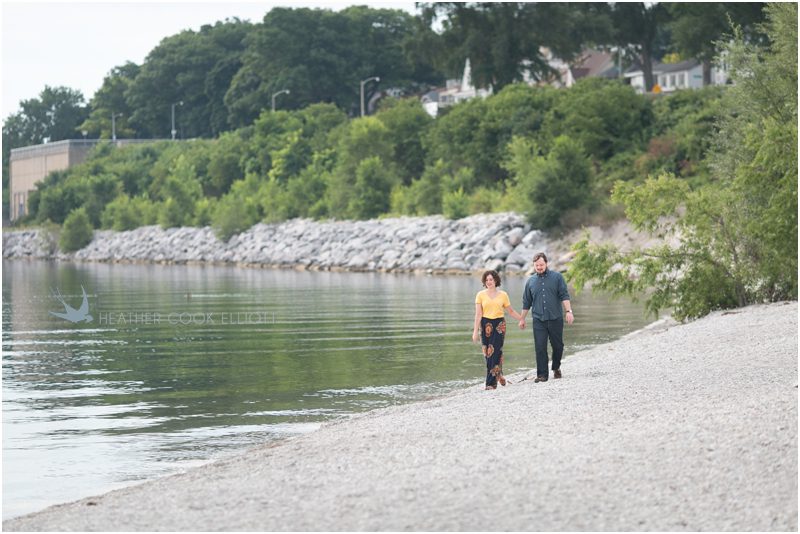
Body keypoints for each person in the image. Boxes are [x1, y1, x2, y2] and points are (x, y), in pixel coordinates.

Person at [518, 252, 574, 383]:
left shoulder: (557, 277)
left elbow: (564, 295)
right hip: (538, 320)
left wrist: (568, 311)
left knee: (558, 346)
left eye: (541, 264)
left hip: (555, 318)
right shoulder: (530, 281)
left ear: (546, 263)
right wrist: (522, 319)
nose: (539, 267)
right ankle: (542, 375)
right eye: (537, 265)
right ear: (534, 265)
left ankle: (556, 367)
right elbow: (526, 302)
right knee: (540, 347)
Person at [472, 270, 522, 390]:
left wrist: (521, 319)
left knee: (494, 352)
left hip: (499, 325)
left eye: (491, 279)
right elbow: (478, 314)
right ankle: (499, 374)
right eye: (487, 280)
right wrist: (475, 332)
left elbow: (510, 311)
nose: (489, 282)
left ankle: (491, 384)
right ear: (485, 281)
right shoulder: (480, 295)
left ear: (496, 281)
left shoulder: (503, 295)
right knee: (487, 353)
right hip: (485, 325)